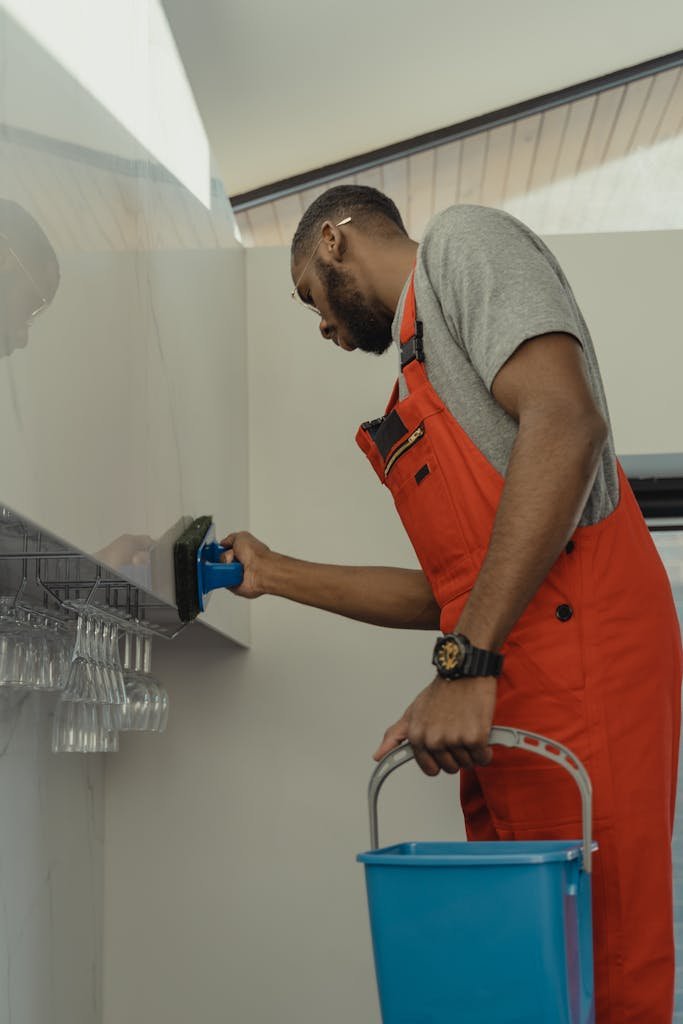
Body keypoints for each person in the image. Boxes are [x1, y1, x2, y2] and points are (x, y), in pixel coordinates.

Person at [222, 186, 682, 1023]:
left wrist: (464, 661)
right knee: (523, 966)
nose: (321, 327)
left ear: (333, 242)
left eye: (308, 301)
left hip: (584, 654)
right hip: (510, 673)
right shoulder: (416, 378)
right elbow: (454, 594)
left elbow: (565, 422)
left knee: (601, 957)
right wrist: (274, 572)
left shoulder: (464, 246)